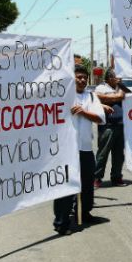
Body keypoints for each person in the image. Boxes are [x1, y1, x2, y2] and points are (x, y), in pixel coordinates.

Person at [53, 65, 106, 235]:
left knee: (86, 185)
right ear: (71, 78)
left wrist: (84, 112)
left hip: (85, 149)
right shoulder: (63, 96)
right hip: (66, 150)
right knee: (66, 186)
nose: (82, 80)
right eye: (79, 77)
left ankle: (84, 213)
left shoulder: (91, 96)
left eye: (85, 77)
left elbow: (99, 118)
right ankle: (61, 222)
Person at [93, 69, 129, 189]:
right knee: (103, 154)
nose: (119, 79)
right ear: (109, 78)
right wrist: (117, 97)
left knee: (119, 155)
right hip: (107, 126)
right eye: (117, 77)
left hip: (121, 125)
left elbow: (126, 96)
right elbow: (98, 98)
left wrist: (115, 96)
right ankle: (96, 178)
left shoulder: (122, 87)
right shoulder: (101, 88)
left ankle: (116, 177)